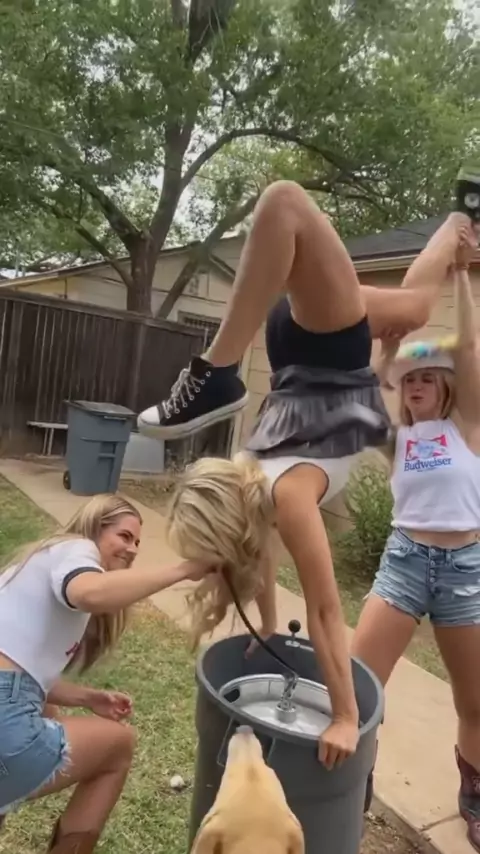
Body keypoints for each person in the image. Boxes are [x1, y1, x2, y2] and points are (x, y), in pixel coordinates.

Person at [138, 170, 479, 772]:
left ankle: (218, 371)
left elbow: (316, 605)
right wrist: (273, 633)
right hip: (313, 353)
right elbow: (291, 586)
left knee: (288, 205)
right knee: (409, 301)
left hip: (320, 355)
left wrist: (343, 713)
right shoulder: (263, 482)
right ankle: (461, 219)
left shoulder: (279, 494)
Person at [351, 247, 480, 851]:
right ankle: (353, 782)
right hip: (405, 563)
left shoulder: (468, 429)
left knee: (474, 700)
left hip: (465, 571)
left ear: (447, 387)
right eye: (411, 380)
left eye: (429, 377)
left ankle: (474, 794)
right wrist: (388, 350)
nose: (419, 384)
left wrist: (462, 275)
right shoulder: (397, 437)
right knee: (358, 685)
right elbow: (371, 382)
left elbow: (468, 348)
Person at [0, 494, 210, 854]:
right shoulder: (75, 549)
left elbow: (23, 670)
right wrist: (186, 569)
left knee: (48, 715)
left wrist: (90, 698)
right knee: (118, 745)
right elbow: (89, 593)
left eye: (138, 543)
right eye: (124, 536)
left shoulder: (39, 565)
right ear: (94, 528)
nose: (132, 549)